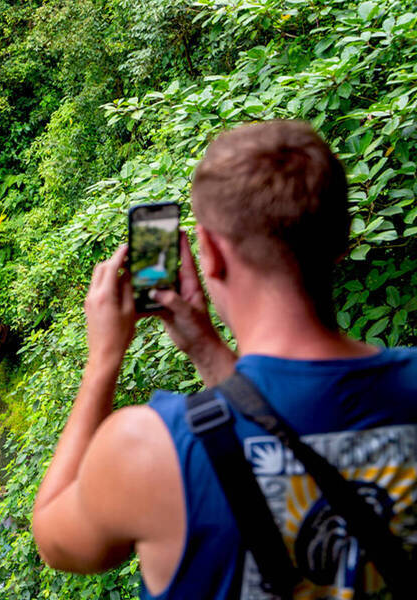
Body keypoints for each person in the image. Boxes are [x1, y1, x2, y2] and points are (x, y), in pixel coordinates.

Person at [29, 120, 417, 599]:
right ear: (345, 237)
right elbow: (282, 415)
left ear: (209, 253)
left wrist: (103, 360)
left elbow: (54, 538)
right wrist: (205, 350)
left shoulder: (149, 448)